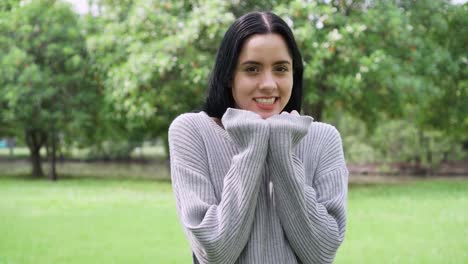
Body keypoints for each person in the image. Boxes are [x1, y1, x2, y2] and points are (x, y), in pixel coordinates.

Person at [168, 11, 348, 264]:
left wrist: (282, 148)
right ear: (229, 75)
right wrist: (252, 145)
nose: (268, 84)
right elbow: (216, 253)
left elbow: (320, 253)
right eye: (252, 69)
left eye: (281, 69)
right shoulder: (192, 131)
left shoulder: (324, 138)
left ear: (294, 74)